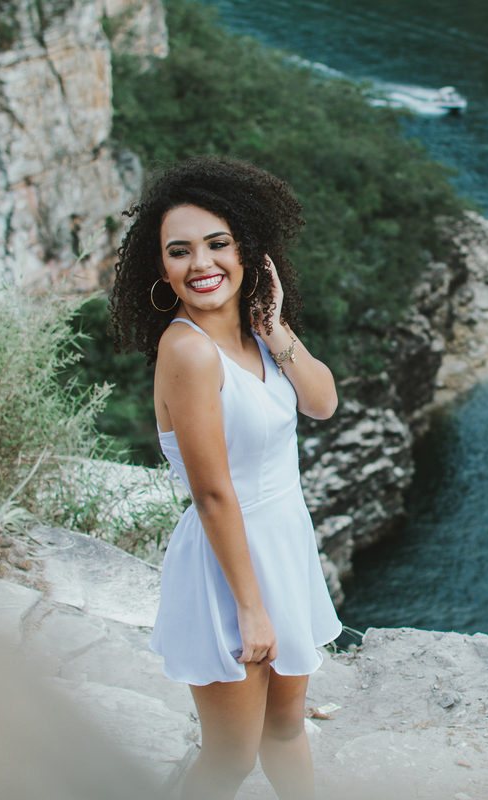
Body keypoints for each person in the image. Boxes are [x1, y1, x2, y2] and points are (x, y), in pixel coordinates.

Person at [108, 157, 342, 800]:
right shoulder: (187, 350)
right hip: (227, 568)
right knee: (230, 758)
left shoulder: (258, 335)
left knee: (287, 729)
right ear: (161, 269)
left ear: (247, 252)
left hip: (283, 546)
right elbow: (212, 494)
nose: (201, 263)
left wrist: (275, 326)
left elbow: (322, 402)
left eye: (218, 244)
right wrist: (251, 608)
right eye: (179, 251)